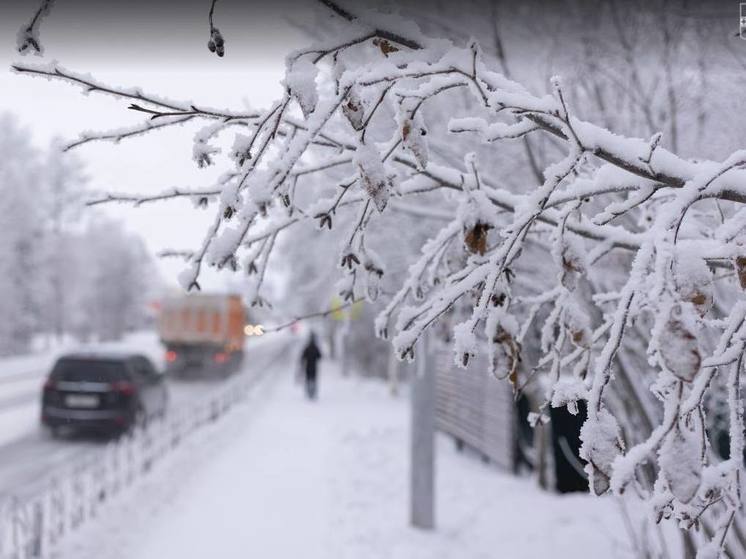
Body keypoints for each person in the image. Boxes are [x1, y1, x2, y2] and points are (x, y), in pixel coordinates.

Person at [300, 331, 321, 400]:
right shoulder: (316, 347)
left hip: (308, 366)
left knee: (308, 380)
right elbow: (320, 356)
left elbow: (303, 357)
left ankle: (309, 392)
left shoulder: (307, 347)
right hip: (314, 366)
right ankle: (313, 393)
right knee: (313, 380)